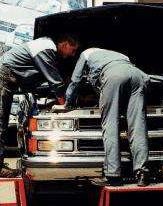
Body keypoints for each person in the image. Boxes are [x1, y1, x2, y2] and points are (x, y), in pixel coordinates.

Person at [0, 34, 79, 178]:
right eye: (73, 50)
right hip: (3, 77)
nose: (73, 55)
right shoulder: (47, 48)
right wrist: (65, 105)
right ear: (65, 44)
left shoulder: (45, 46)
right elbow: (55, 82)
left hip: (3, 77)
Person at [64, 48, 150, 186]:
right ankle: (142, 173)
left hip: (114, 76)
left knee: (111, 125)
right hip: (138, 75)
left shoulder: (86, 54)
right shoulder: (117, 54)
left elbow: (76, 80)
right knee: (138, 126)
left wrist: (68, 103)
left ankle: (113, 175)